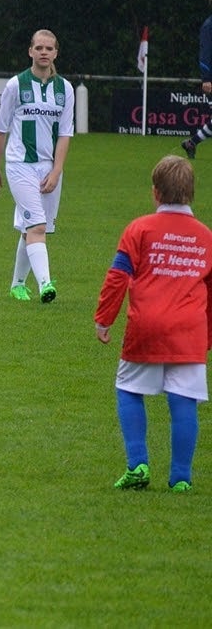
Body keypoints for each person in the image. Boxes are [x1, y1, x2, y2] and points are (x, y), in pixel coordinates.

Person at [95, 155, 212, 493]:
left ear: (155, 193)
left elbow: (118, 276)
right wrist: (207, 336)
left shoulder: (140, 229)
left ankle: (138, 464)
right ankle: (181, 478)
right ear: (191, 193)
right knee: (184, 400)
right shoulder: (206, 237)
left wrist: (104, 318)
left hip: (146, 325)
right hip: (189, 330)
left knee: (128, 389)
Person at [0, 29, 74, 304]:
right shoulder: (16, 85)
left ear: (56, 53)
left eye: (49, 48)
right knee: (37, 225)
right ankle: (46, 284)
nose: (44, 52)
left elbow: (65, 134)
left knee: (31, 228)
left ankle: (17, 285)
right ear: (30, 51)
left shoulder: (65, 89)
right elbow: (0, 129)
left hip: (49, 167)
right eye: (39, 48)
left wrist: (56, 170)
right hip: (19, 165)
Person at [181, 0, 212, 159]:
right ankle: (192, 142)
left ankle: (191, 143)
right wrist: (206, 78)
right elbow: (205, 53)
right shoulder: (209, 26)